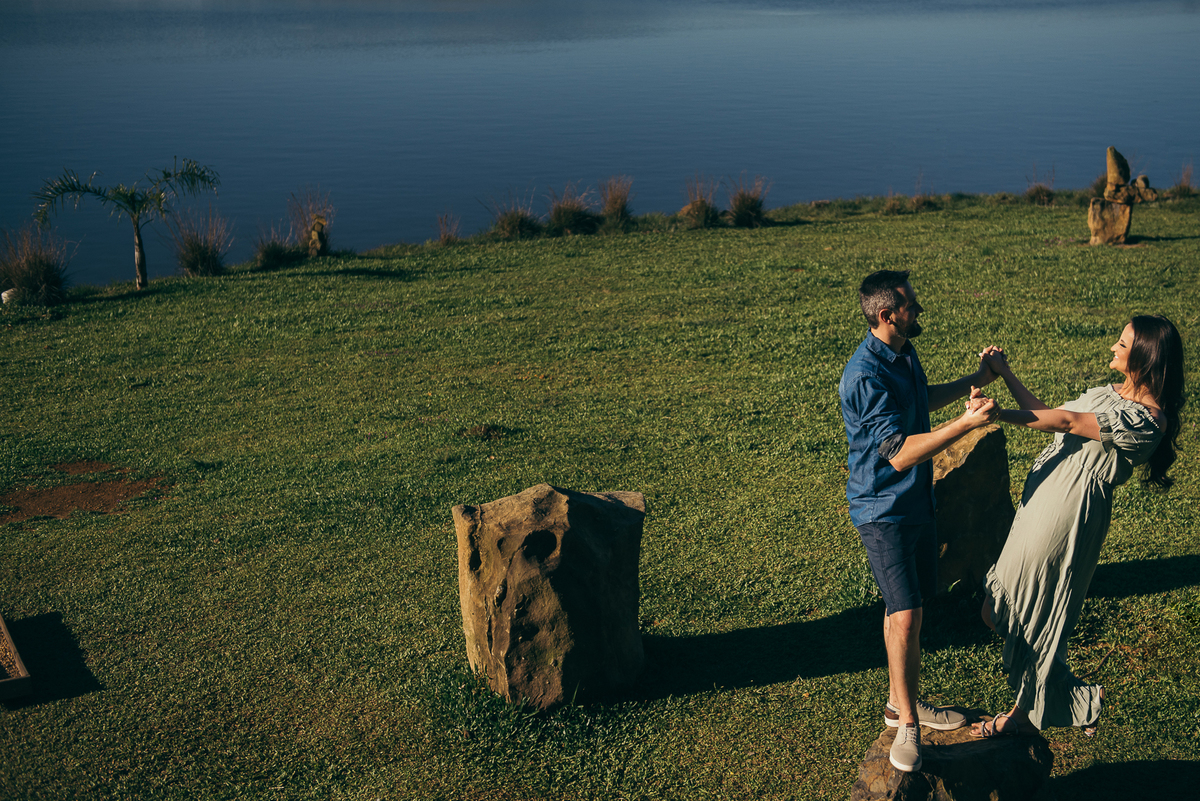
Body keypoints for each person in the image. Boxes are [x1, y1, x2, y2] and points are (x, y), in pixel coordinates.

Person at [968, 315, 1185, 738]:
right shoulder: (1108, 393)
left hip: (1067, 513)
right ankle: (1074, 700)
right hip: (1041, 502)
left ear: (1144, 357)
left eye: (1122, 345)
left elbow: (1067, 422)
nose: (1113, 348)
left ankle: (1025, 715)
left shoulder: (1146, 420)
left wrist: (997, 414)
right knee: (997, 610)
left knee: (1034, 611)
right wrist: (1005, 374)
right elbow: (1051, 415)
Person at [838, 270, 1001, 773]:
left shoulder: (903, 351)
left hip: (915, 502)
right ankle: (908, 722)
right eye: (912, 304)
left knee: (907, 608)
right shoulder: (865, 375)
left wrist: (976, 381)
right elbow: (899, 454)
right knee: (906, 613)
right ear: (887, 315)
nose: (920, 309)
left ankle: (898, 702)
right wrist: (967, 424)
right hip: (883, 509)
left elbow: (919, 401)